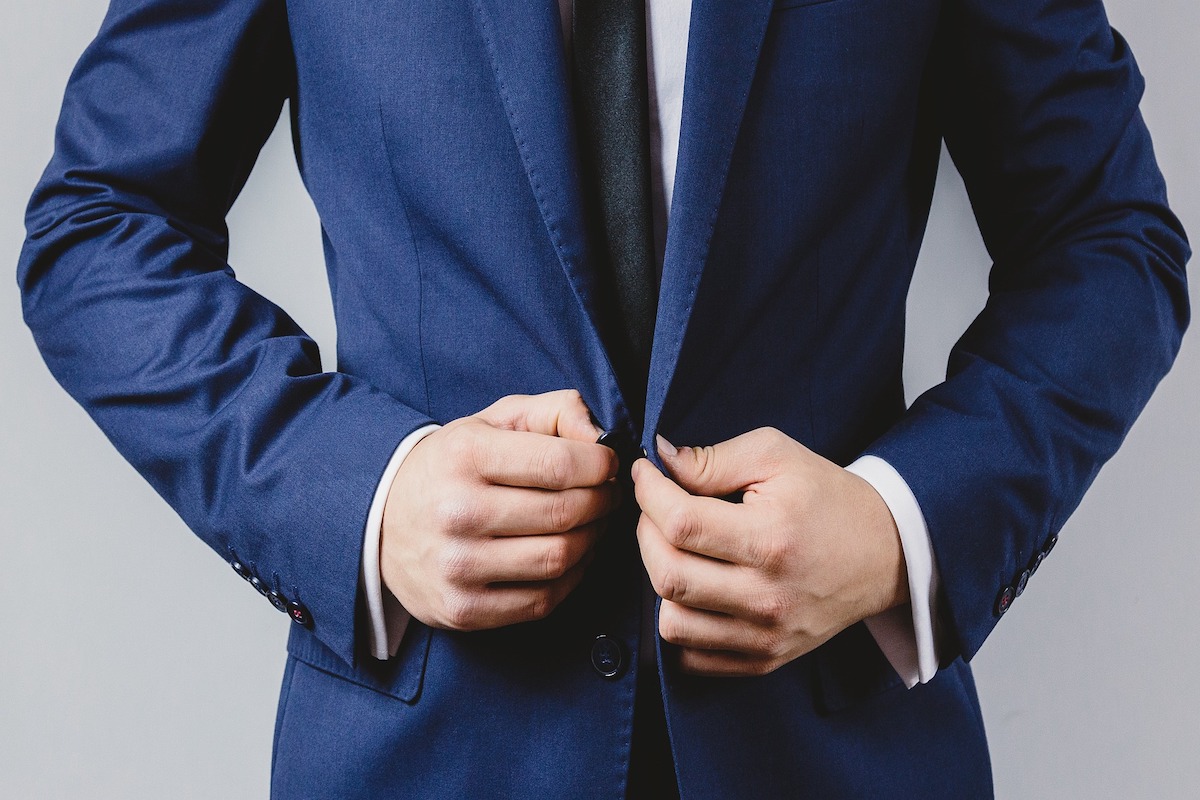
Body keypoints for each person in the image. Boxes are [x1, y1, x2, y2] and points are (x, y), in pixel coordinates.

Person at [17, 0, 1188, 797]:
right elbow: (101, 226)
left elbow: (1106, 238)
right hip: (425, 755)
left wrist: (898, 530)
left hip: (833, 750)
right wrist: (368, 499)